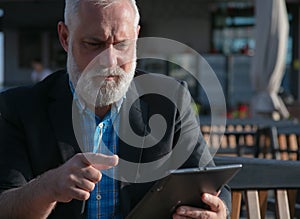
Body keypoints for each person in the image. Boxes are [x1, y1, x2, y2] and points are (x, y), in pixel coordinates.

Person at [0, 0, 230, 218]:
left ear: (136, 37)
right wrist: (49, 187)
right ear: (65, 37)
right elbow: (6, 207)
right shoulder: (21, 108)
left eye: (121, 44)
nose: (109, 61)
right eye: (94, 44)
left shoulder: (170, 100)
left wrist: (216, 212)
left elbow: (211, 185)